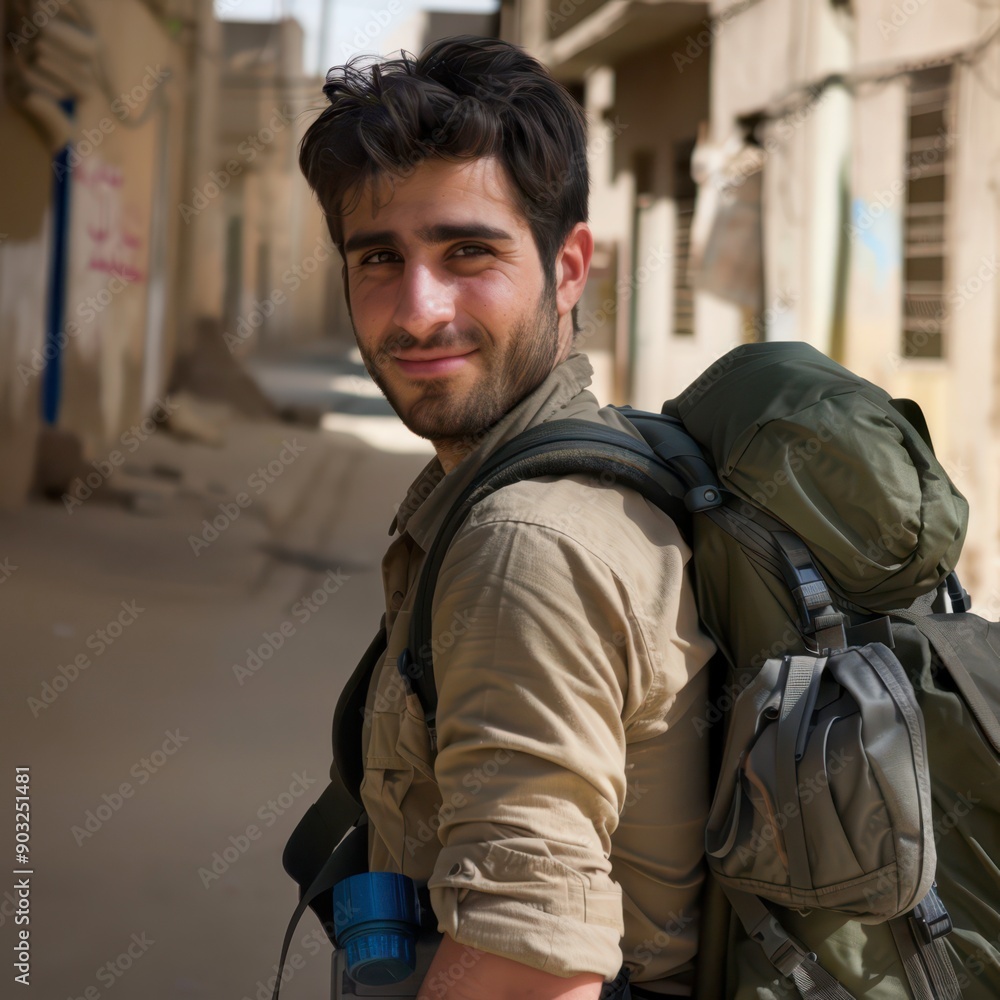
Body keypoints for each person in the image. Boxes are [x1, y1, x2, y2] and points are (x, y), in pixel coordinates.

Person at [299, 35, 716, 1000]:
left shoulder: (526, 543)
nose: (418, 308)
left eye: (468, 252)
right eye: (379, 259)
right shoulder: (569, 471)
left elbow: (532, 965)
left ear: (569, 267)